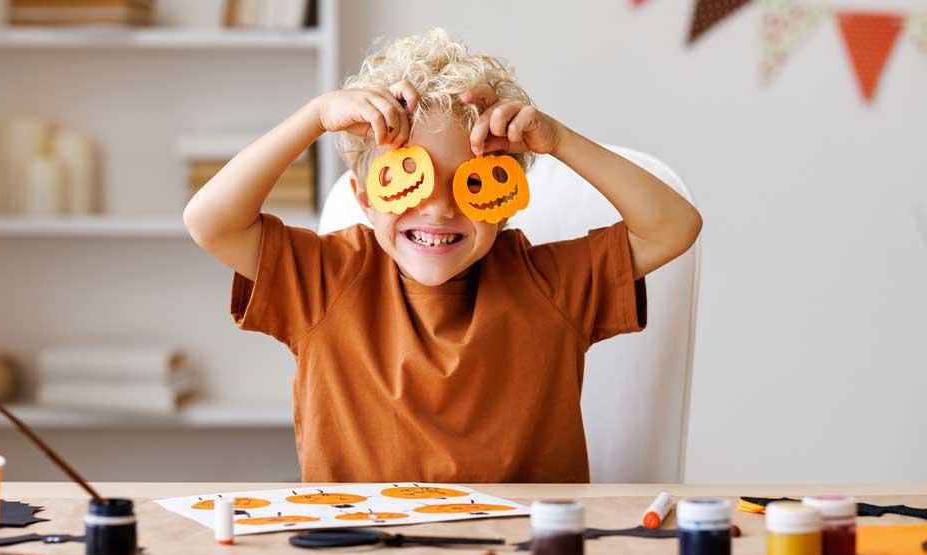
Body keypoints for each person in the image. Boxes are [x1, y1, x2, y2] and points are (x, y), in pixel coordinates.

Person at [183, 28, 702, 483]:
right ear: (364, 196)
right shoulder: (325, 279)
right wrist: (317, 116)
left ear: (505, 204)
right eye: (409, 180)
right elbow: (209, 221)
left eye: (470, 185)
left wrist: (559, 141)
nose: (437, 209)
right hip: (363, 552)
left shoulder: (549, 285)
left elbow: (675, 226)